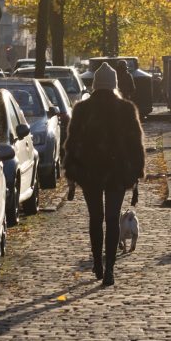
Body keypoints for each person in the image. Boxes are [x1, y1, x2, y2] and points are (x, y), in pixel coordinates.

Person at [63, 63, 145, 287]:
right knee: (112, 218)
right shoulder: (127, 109)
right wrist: (137, 171)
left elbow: (72, 144)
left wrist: (72, 171)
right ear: (115, 85)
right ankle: (110, 269)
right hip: (117, 172)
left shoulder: (81, 109)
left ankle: (97, 263)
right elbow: (135, 145)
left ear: (95, 85)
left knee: (95, 218)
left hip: (90, 172)